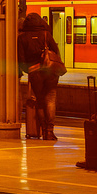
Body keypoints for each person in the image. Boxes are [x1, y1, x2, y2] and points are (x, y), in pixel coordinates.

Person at [18, 12, 63, 141]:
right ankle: (50, 131)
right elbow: (55, 50)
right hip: (50, 72)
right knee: (50, 100)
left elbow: (21, 60)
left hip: (35, 73)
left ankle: (43, 130)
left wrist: (30, 70)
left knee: (40, 101)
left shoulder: (22, 38)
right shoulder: (46, 34)